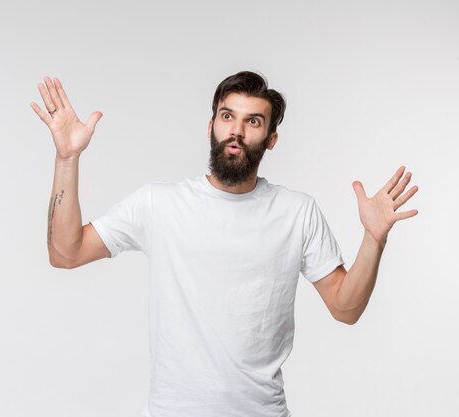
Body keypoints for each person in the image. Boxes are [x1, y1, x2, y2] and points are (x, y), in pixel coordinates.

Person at [30, 71, 418, 417]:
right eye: (227, 116)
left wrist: (373, 239)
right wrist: (67, 158)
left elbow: (345, 308)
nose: (236, 130)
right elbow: (66, 253)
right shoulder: (159, 204)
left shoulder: (296, 212)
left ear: (271, 139)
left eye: (253, 122)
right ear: (211, 125)